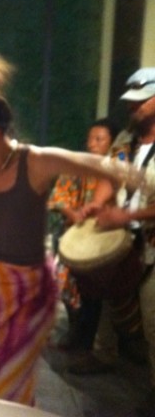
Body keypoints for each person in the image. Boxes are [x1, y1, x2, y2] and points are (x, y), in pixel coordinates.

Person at [0, 51, 148, 406]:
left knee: (10, 394)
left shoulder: (33, 162)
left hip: (27, 293)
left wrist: (133, 183)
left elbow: (102, 166)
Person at [93, 67, 155, 416]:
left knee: (153, 319)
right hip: (124, 237)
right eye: (130, 102)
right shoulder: (126, 140)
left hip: (151, 242)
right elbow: (110, 176)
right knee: (110, 298)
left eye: (141, 102)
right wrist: (97, 202)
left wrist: (128, 216)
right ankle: (104, 354)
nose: (133, 108)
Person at [47, 119, 121, 372]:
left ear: (112, 142)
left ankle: (89, 344)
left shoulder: (117, 168)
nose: (93, 144)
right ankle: (77, 330)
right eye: (90, 138)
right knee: (65, 283)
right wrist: (73, 214)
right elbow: (59, 198)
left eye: (99, 139)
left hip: (102, 241)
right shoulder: (77, 166)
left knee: (96, 296)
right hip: (75, 236)